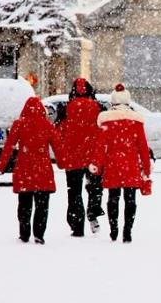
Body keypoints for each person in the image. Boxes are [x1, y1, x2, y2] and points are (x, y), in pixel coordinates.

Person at [90, 83, 151, 243]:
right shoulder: (136, 122)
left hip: (113, 165)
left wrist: (96, 164)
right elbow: (143, 147)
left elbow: (101, 147)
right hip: (130, 165)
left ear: (113, 102)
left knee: (113, 198)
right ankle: (127, 231)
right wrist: (146, 168)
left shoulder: (107, 122)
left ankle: (114, 229)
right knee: (130, 200)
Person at [0, 97, 61, 245]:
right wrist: (63, 163)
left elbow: (9, 145)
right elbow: (57, 147)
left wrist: (1, 165)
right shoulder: (47, 125)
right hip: (43, 170)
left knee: (24, 204)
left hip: (24, 169)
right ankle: (39, 233)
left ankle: (24, 233)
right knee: (42, 206)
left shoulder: (19, 124)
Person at [57, 78, 104, 237]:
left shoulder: (65, 108)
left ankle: (77, 226)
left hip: (73, 157)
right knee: (95, 187)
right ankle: (93, 210)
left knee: (74, 192)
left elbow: (60, 132)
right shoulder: (98, 107)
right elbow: (102, 131)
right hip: (93, 156)